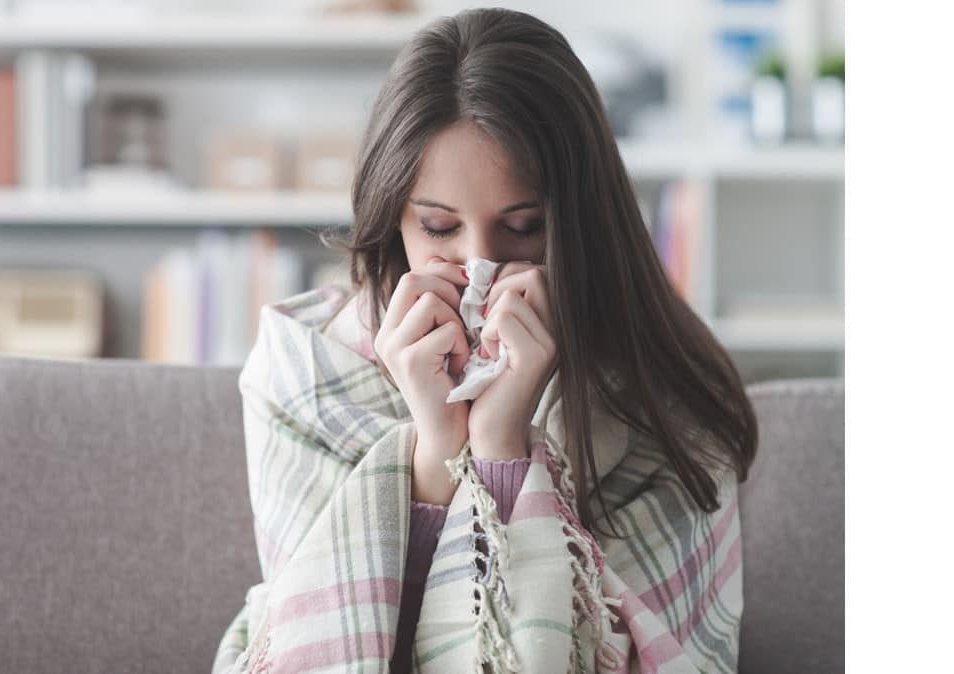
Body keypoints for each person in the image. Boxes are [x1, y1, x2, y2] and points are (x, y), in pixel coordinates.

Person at [215, 8, 757, 673]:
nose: (480, 269)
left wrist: (503, 446)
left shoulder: (660, 389)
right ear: (392, 220)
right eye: (440, 228)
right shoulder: (304, 368)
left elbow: (639, 655)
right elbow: (324, 639)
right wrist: (436, 450)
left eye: (524, 227)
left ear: (581, 221)